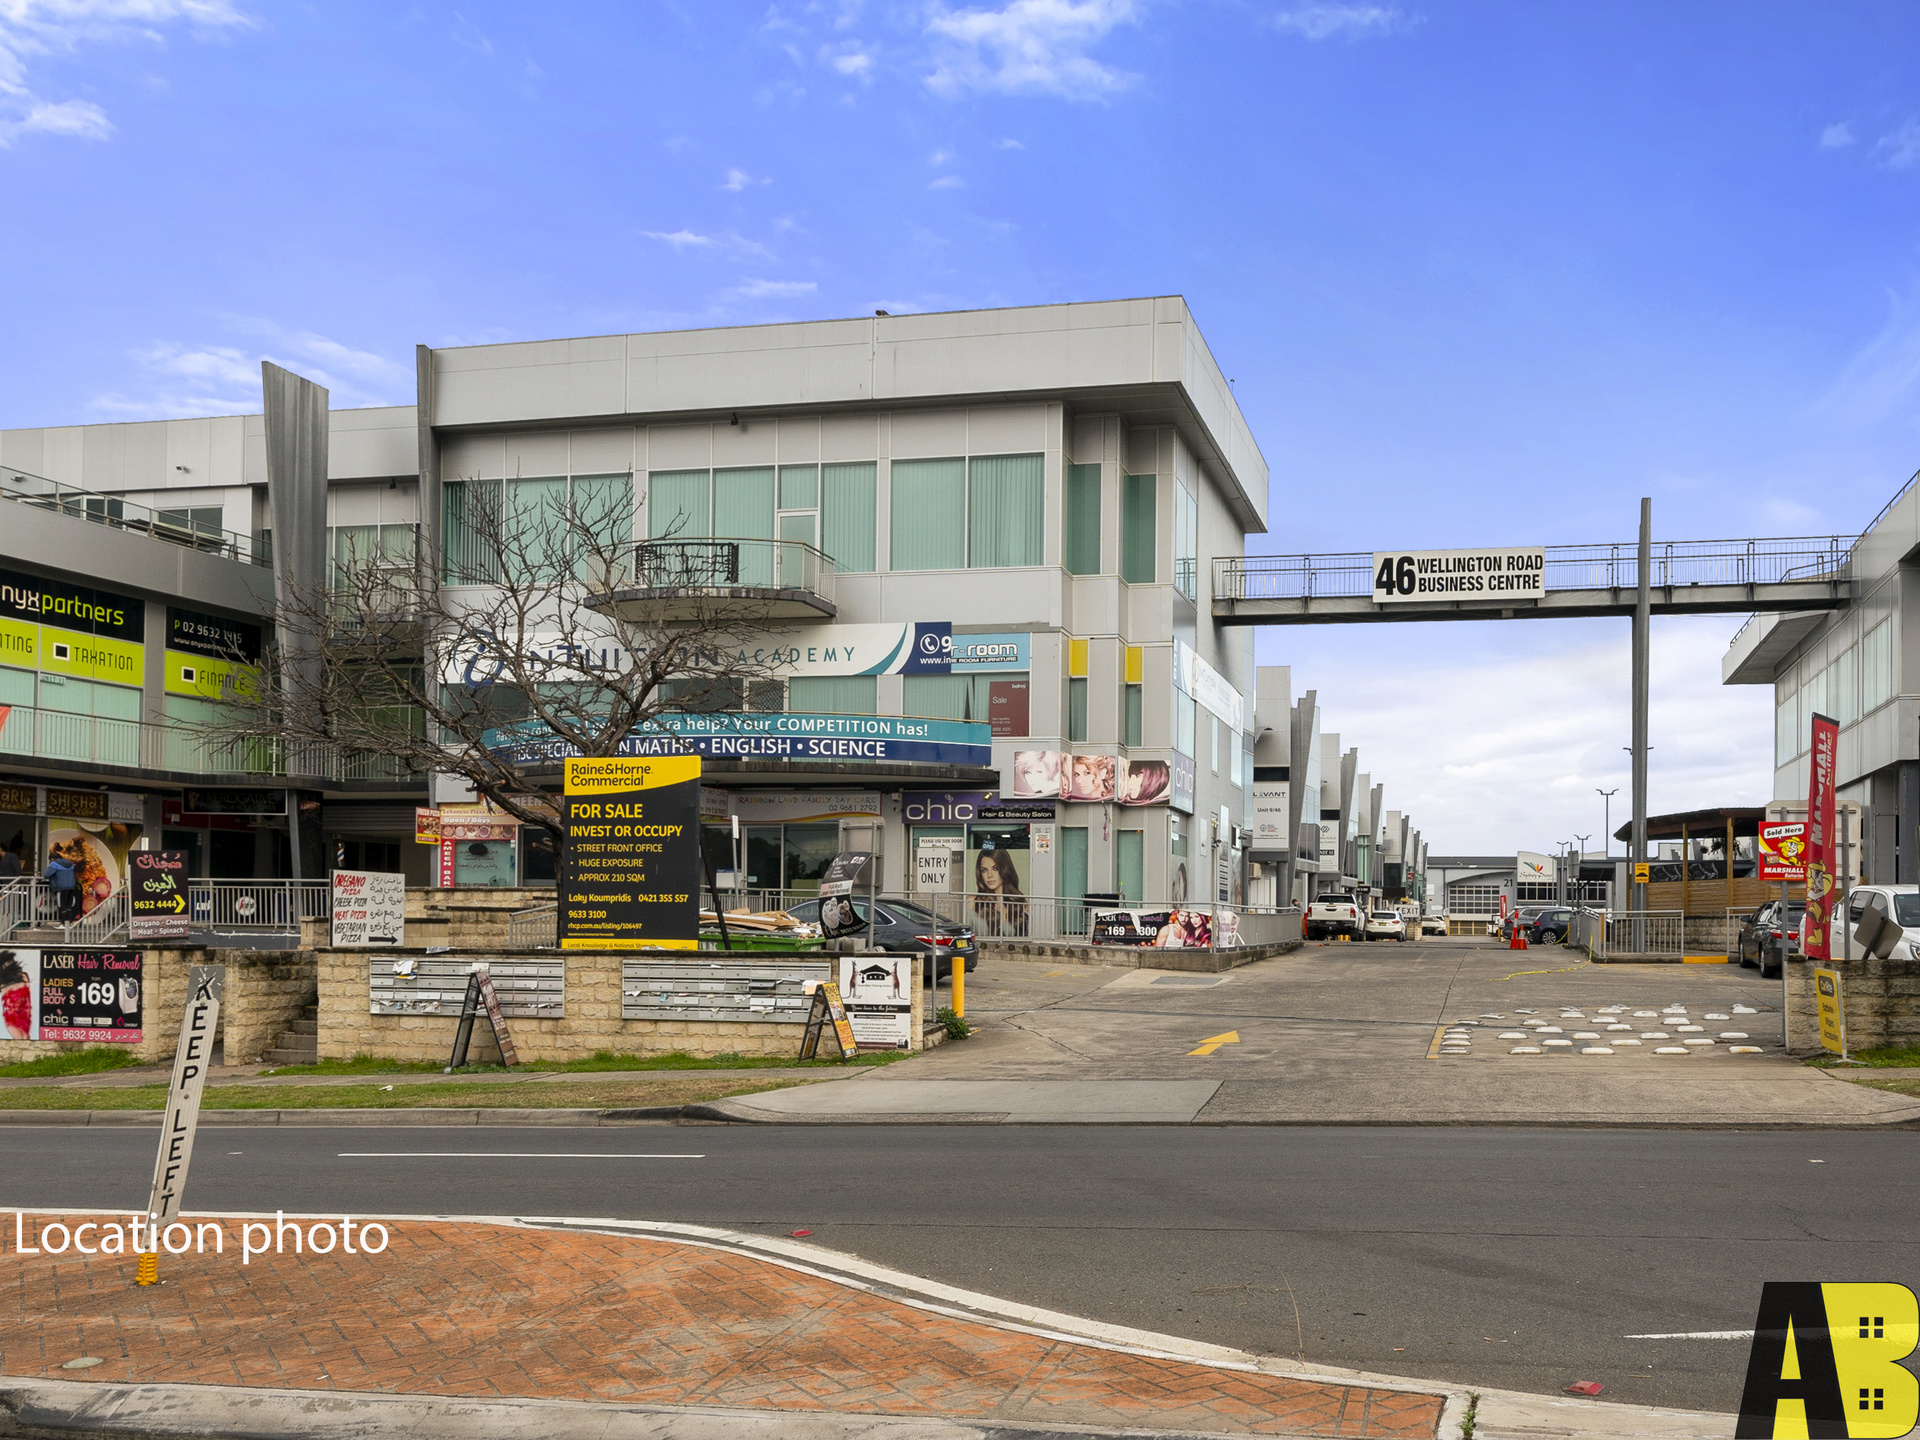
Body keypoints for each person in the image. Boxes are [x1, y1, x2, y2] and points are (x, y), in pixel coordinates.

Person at [972, 846, 1028, 937]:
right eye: (984, 870)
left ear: (1005, 869)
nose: (990, 875)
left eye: (995, 868)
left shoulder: (1017, 902)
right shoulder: (973, 902)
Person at [42, 852, 79, 924]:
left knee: (61, 905)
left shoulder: (54, 864)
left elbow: (46, 874)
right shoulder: (69, 863)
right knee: (69, 905)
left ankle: (63, 923)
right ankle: (69, 923)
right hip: (71, 887)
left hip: (61, 887)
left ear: (52, 859)